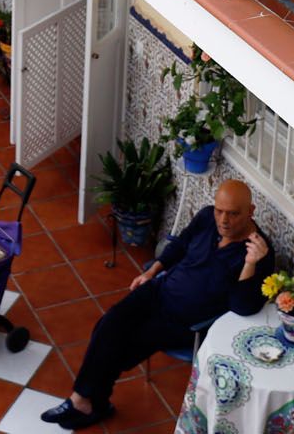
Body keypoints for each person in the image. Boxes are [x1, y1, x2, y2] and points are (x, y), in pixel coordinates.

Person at [42, 179, 273, 429]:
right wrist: (151, 272)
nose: (224, 220)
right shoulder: (207, 218)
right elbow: (181, 244)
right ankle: (88, 401)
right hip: (159, 290)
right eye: (219, 211)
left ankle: (84, 401)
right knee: (109, 323)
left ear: (250, 212)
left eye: (233, 214)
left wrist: (250, 264)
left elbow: (242, 307)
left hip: (184, 322)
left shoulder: (259, 251)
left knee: (123, 344)